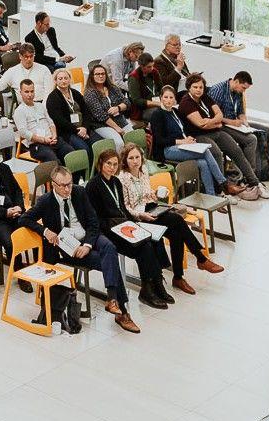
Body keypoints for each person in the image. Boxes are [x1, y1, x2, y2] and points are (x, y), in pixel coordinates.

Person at [19, 167, 140, 333]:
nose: (67, 189)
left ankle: (112, 299)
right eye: (63, 185)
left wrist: (87, 245)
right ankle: (122, 313)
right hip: (70, 247)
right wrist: (45, 231)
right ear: (53, 184)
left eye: (69, 184)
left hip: (89, 237)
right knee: (109, 262)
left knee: (109, 248)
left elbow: (93, 222)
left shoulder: (79, 192)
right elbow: (24, 219)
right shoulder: (46, 201)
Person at [119, 142, 222, 294]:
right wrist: (140, 214)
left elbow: (147, 195)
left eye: (138, 157)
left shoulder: (143, 171)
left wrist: (157, 193)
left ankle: (179, 277)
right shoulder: (122, 179)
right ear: (125, 161)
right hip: (138, 216)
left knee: (176, 235)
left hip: (151, 208)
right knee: (177, 221)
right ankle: (201, 258)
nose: (135, 161)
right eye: (131, 158)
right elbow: (126, 207)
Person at [87, 148, 173, 310]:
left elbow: (123, 209)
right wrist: (118, 227)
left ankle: (156, 282)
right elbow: (93, 217)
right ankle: (147, 289)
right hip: (108, 230)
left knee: (153, 239)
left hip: (123, 224)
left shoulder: (116, 182)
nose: (112, 167)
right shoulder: (93, 185)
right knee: (144, 246)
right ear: (100, 164)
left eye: (115, 164)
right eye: (108, 164)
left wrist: (133, 223)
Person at [178, 72, 264, 199]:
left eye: (201, 87)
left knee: (236, 150)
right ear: (189, 87)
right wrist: (215, 122)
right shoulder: (186, 102)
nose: (198, 90)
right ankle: (221, 190)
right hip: (198, 136)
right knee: (217, 153)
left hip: (215, 131)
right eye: (195, 87)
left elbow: (219, 114)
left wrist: (211, 122)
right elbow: (201, 124)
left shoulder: (205, 97)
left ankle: (254, 182)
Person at [149, 83, 230, 196]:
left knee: (203, 163)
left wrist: (188, 138)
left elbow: (184, 130)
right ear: (161, 98)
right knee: (205, 152)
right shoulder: (157, 115)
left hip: (182, 146)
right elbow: (160, 140)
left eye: (171, 97)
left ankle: (211, 195)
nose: (168, 100)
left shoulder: (175, 112)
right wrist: (181, 141)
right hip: (166, 150)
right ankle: (223, 182)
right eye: (165, 97)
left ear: (175, 100)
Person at [208, 70, 269, 186]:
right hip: (223, 125)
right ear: (236, 81)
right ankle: (250, 175)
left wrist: (245, 122)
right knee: (251, 139)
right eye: (243, 88)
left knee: (268, 131)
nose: (244, 91)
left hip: (237, 123)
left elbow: (241, 112)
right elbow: (212, 115)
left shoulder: (238, 92)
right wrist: (232, 122)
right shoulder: (218, 90)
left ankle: (264, 170)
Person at [46, 66, 93, 159]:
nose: (63, 81)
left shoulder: (75, 93)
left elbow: (86, 111)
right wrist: (77, 130)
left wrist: (84, 127)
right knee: (85, 150)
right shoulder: (53, 98)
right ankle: (85, 173)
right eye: (60, 78)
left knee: (98, 144)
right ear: (55, 81)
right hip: (67, 132)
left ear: (70, 79)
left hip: (83, 129)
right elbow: (59, 120)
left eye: (66, 78)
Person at [82, 62, 132, 148]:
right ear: (92, 76)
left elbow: (127, 102)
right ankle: (119, 161)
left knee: (133, 139)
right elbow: (101, 115)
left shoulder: (112, 88)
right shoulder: (89, 93)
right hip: (102, 124)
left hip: (119, 119)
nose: (101, 76)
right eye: (97, 74)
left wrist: (118, 108)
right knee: (119, 143)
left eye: (103, 74)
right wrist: (117, 128)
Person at [12, 77, 61, 163]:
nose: (30, 94)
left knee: (71, 154)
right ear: (20, 93)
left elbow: (51, 122)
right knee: (55, 162)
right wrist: (43, 140)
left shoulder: (40, 106)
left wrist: (54, 136)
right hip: (37, 145)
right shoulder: (19, 111)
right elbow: (23, 132)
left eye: (32, 91)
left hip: (52, 140)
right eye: (26, 92)